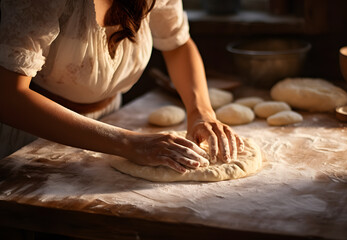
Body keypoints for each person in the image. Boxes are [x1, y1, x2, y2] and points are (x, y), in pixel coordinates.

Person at [0, 0, 244, 173]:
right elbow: (8, 96)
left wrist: (200, 112)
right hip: (34, 134)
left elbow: (177, 45)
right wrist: (129, 143)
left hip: (111, 123)